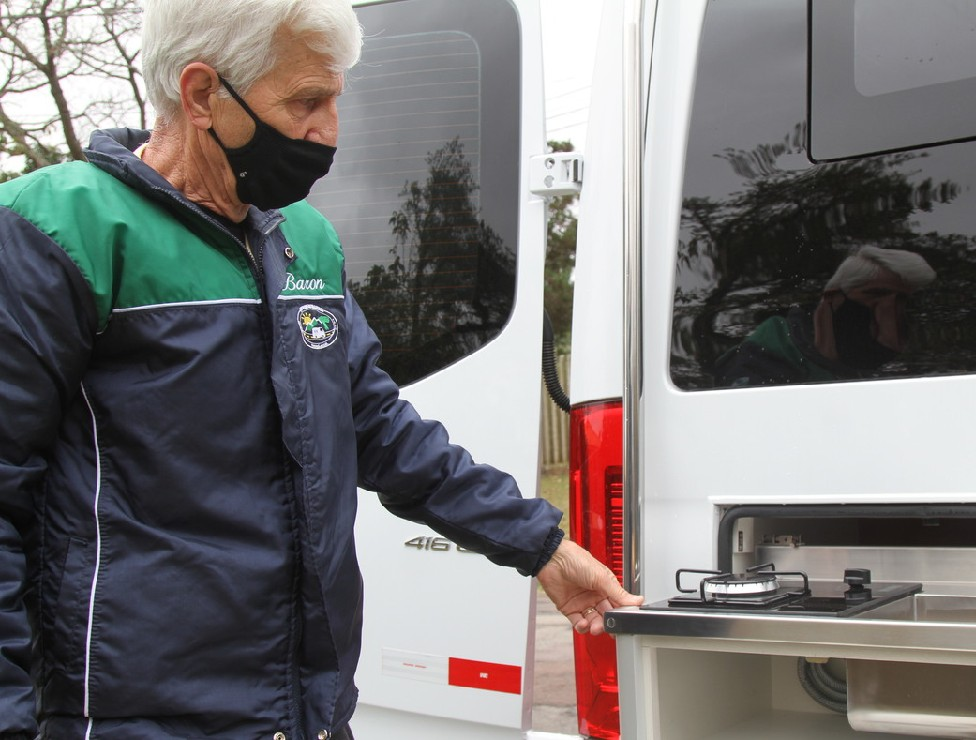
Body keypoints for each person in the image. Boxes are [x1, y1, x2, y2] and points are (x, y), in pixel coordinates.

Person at [0, 1, 640, 737]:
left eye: (336, 99)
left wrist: (542, 546)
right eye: (306, 101)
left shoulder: (303, 238)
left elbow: (376, 426)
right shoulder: (53, 232)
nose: (328, 130)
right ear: (202, 93)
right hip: (135, 717)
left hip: (303, 711)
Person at [714, 246, 936, 386]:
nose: (889, 308)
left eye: (901, 300)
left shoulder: (888, 360)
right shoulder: (765, 354)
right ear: (834, 297)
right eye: (875, 294)